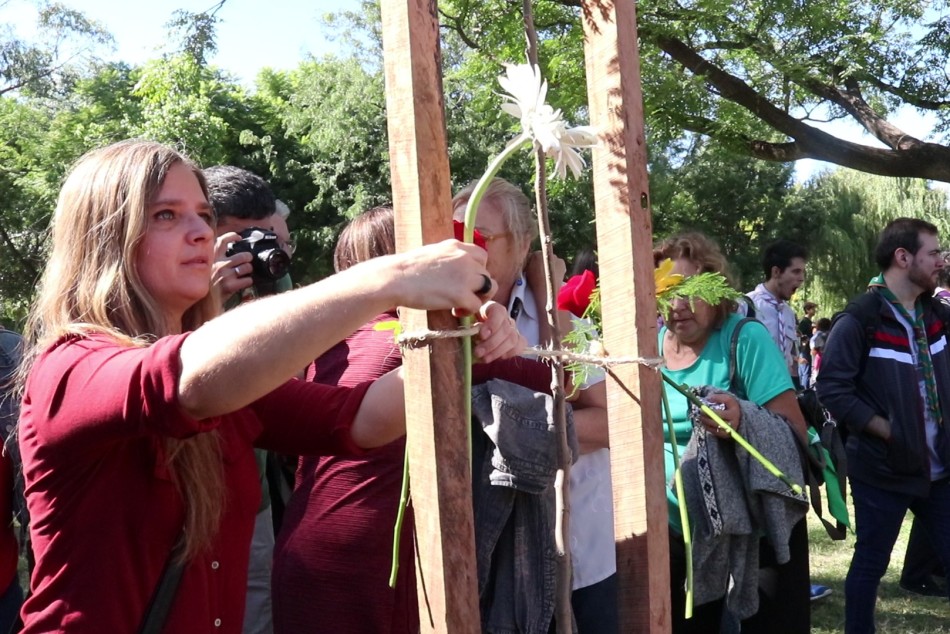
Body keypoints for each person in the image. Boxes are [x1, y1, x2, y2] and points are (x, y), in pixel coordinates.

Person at [15, 140, 526, 633]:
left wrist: (462, 349)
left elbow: (363, 419)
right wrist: (388, 279)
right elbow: (186, 379)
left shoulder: (234, 379)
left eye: (203, 214)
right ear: (106, 238)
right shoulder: (70, 367)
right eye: (165, 215)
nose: (199, 232)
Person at [272, 205, 578, 633]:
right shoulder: (429, 341)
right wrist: (549, 292)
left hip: (304, 548)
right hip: (377, 557)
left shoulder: (330, 339)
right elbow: (561, 378)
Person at [453, 178, 615, 633]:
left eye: (481, 236)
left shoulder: (567, 327)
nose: (466, 246)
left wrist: (506, 419)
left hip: (577, 552)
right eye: (455, 233)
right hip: (485, 554)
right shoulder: (440, 326)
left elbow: (609, 424)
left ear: (523, 245)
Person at [656, 233, 810, 634]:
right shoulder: (646, 346)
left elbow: (794, 434)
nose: (677, 305)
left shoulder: (745, 339)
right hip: (669, 532)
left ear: (714, 286)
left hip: (745, 534)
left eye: (690, 289)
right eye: (666, 291)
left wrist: (741, 417)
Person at [816, 217, 950, 633]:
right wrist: (887, 430)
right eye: (933, 252)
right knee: (870, 564)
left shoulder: (939, 316)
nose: (941, 261)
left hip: (941, 470)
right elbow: (832, 390)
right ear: (902, 256)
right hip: (882, 469)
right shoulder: (860, 319)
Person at [204, 164, 289, 634]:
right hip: (186, 500)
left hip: (249, 493)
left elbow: (294, 374)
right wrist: (208, 302)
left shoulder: (269, 276)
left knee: (254, 612)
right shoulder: (170, 287)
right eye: (239, 240)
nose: (253, 251)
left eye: (262, 235)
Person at [744, 240, 808, 389]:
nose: (802, 278)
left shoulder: (788, 313)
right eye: (796, 271)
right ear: (776, 272)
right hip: (751, 397)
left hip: (782, 394)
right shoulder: (746, 306)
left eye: (803, 272)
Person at [798, 302, 817, 389]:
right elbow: (798, 334)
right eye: (813, 308)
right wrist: (805, 340)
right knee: (805, 372)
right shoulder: (804, 322)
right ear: (807, 310)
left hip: (806, 349)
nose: (815, 310)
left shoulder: (809, 322)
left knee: (805, 372)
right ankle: (805, 392)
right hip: (804, 349)